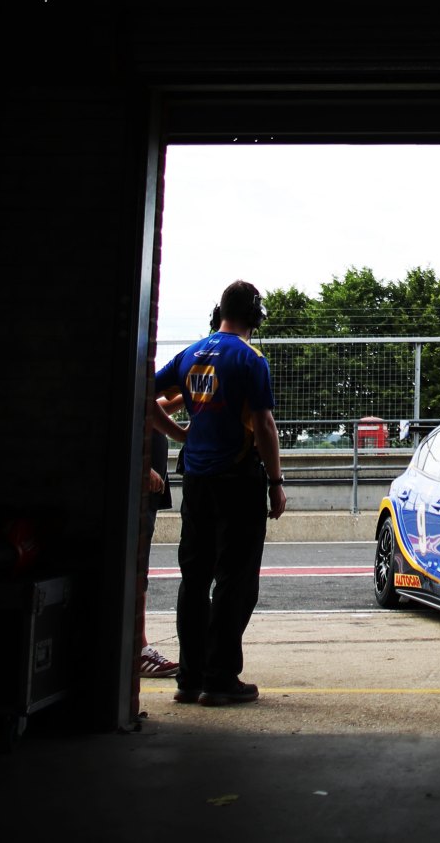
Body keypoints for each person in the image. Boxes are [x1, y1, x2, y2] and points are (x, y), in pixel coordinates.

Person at [154, 280, 287, 706]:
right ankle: (220, 678)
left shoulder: (191, 353)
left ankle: (189, 678)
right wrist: (276, 482)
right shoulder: (251, 359)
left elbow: (144, 392)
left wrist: (180, 435)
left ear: (220, 311)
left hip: (195, 479)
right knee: (235, 579)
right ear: (255, 317)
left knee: (194, 579)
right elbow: (264, 426)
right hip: (237, 480)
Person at [134, 393, 187, 682]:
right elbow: (137, 408)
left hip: (148, 483)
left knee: (138, 567)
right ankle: (138, 647)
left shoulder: (143, 375)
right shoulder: (137, 365)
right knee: (136, 568)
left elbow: (151, 408)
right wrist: (141, 465)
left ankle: (137, 644)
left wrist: (185, 398)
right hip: (141, 480)